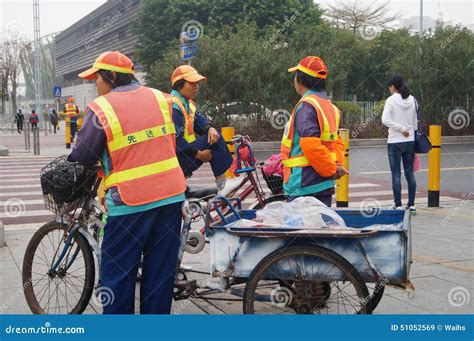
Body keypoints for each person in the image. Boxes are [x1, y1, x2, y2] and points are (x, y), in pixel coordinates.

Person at [70, 51, 187, 314]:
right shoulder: (162, 98)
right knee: (159, 276)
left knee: (118, 276)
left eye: (97, 79)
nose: (95, 85)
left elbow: (84, 154)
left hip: (130, 201)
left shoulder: (102, 108)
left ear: (111, 77)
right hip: (171, 197)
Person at [281, 56, 347, 207]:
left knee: (301, 229)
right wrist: (335, 166)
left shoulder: (307, 106)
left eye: (296, 76)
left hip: (304, 185)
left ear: (301, 80)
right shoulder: (331, 107)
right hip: (323, 185)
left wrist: (331, 169)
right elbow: (336, 143)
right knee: (320, 227)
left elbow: (311, 146)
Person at [170, 65, 233, 189]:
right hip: (176, 160)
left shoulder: (187, 104)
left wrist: (210, 128)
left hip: (184, 155)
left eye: (197, 83)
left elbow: (200, 122)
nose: (196, 87)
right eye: (192, 83)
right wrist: (199, 154)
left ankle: (222, 182)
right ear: (179, 84)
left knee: (214, 135)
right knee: (217, 140)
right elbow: (176, 140)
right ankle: (223, 185)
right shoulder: (173, 105)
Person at [382, 75, 417, 214]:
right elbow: (415, 122)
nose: (389, 89)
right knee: (410, 174)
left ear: (393, 87)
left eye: (390, 87)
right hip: (410, 141)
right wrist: (409, 131)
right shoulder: (413, 99)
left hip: (395, 142)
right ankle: (412, 205)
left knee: (396, 174)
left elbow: (385, 120)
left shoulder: (391, 100)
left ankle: (397, 205)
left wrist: (401, 129)